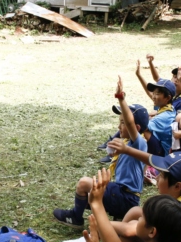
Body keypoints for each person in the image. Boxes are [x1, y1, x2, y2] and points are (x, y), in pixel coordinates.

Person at [54, 77, 148, 228]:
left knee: (84, 184)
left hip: (126, 197)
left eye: (122, 122)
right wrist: (116, 155)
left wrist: (121, 99)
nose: (119, 126)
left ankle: (76, 218)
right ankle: (112, 216)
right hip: (123, 194)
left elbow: (130, 122)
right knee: (89, 196)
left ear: (136, 127)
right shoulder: (129, 144)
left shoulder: (139, 143)